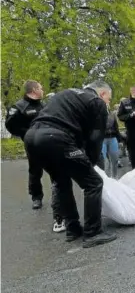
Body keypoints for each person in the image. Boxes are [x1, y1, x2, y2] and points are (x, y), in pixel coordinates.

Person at [24, 80, 117, 248]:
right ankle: (92, 233)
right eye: (109, 99)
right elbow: (96, 138)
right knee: (94, 183)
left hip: (32, 138)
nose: (108, 103)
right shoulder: (96, 102)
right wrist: (92, 163)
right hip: (55, 138)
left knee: (61, 182)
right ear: (102, 94)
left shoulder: (67, 93)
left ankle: (72, 229)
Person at [5, 80, 45, 210]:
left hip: (47, 141)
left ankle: (60, 196)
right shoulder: (19, 107)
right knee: (35, 170)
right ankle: (36, 197)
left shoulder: (43, 105)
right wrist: (27, 133)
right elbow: (10, 125)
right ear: (34, 90)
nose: (42, 90)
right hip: (32, 142)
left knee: (57, 168)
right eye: (40, 88)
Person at [100, 104, 121, 178]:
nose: (106, 106)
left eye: (107, 105)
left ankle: (114, 177)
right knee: (104, 161)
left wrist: (119, 139)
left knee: (115, 159)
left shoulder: (112, 114)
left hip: (113, 138)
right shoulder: (97, 114)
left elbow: (116, 127)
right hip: (102, 139)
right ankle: (104, 179)